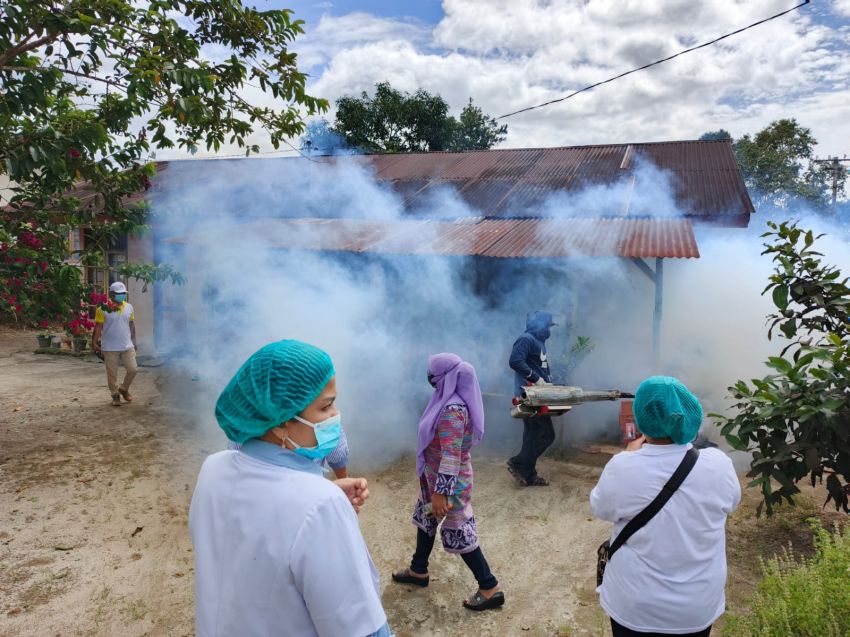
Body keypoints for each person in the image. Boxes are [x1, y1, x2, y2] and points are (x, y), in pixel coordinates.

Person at [189, 340, 393, 637]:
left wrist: (325, 491)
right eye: (326, 406)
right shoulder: (321, 506)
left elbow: (257, 532)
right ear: (281, 423)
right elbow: (360, 628)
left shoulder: (213, 468)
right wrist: (324, 500)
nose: (336, 415)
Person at [590, 376, 741, 637]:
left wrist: (628, 455)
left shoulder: (623, 466)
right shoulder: (719, 464)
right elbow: (732, 503)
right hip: (697, 608)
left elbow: (599, 507)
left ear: (641, 419)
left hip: (634, 608)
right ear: (690, 414)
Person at [391, 353, 505, 612]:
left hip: (449, 486)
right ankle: (418, 569)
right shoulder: (445, 401)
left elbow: (451, 455)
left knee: (459, 531)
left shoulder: (452, 410)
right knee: (426, 519)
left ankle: (489, 587)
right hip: (434, 481)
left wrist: (441, 493)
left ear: (445, 378)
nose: (430, 379)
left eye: (433, 375)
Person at [507, 310, 557, 486]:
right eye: (548, 326)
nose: (549, 330)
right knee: (546, 434)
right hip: (529, 395)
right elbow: (515, 361)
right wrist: (536, 378)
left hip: (538, 395)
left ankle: (528, 474)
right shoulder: (526, 339)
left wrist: (548, 380)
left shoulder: (538, 341)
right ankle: (518, 463)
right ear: (539, 325)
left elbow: (538, 366)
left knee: (533, 435)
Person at [92, 281, 137, 407]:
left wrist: (134, 340)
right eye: (119, 293)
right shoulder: (103, 309)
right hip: (110, 347)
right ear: (111, 294)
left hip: (127, 345)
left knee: (133, 369)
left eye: (123, 293)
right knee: (112, 375)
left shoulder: (129, 307)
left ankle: (124, 388)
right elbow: (98, 326)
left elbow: (131, 324)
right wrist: (94, 342)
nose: (122, 295)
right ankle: (115, 395)